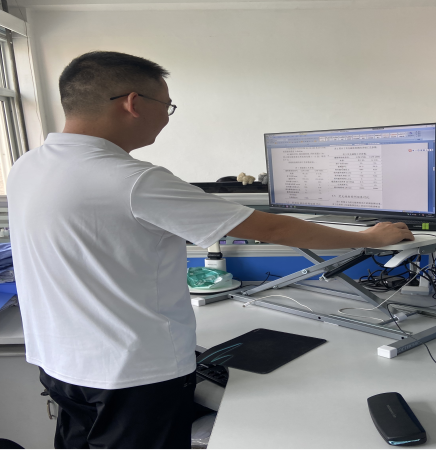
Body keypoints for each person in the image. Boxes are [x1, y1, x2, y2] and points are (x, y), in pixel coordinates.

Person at [6, 51, 414, 450]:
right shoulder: (133, 180)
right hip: (131, 373)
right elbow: (272, 228)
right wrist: (372, 238)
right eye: (167, 106)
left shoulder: (28, 165)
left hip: (58, 362)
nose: (167, 117)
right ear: (134, 103)